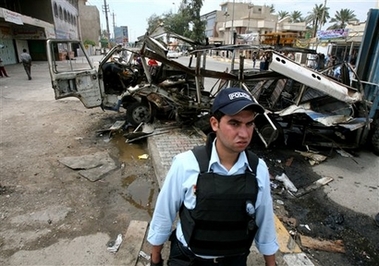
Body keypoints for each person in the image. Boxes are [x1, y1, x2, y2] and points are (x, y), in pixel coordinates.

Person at [147, 87, 279, 266]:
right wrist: (155, 258)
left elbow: (265, 222)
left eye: (249, 124)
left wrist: (271, 263)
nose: (245, 133)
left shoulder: (257, 169)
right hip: (189, 260)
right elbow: (164, 212)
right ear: (215, 123)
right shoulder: (186, 164)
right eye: (234, 123)